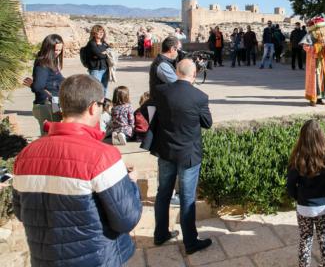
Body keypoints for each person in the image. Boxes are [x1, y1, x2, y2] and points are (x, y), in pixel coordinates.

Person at [12, 74, 142, 266]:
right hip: (96, 258)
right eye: (101, 104)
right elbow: (126, 219)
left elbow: (22, 212)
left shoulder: (25, 155)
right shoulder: (102, 156)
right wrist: (130, 183)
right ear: (92, 107)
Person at [152, 59, 213, 254]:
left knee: (163, 193)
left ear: (177, 71)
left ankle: (160, 234)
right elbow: (207, 123)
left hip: (166, 150)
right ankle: (190, 241)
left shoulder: (161, 92)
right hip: (188, 154)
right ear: (194, 75)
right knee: (187, 198)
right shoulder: (199, 97)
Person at [286, 120, 325, 267]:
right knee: (324, 238)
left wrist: (298, 197)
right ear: (320, 135)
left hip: (304, 207)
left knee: (305, 240)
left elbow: (290, 185)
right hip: (324, 206)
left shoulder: (297, 156)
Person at [27, 34, 65, 135]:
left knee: (54, 134)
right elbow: (38, 86)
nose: (57, 53)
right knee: (49, 137)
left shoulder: (50, 61)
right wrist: (33, 85)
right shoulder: (42, 63)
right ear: (48, 48)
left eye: (59, 50)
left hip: (53, 102)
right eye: (55, 50)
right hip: (46, 104)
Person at [300, 17, 325, 106]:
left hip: (324, 60)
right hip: (314, 60)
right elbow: (305, 46)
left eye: (323, 27)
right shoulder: (310, 35)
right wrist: (317, 46)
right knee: (315, 79)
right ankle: (313, 99)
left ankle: (320, 98)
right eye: (320, 27)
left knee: (323, 80)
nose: (322, 29)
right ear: (316, 27)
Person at [149, 36, 180, 105]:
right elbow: (179, 85)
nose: (179, 53)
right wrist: (190, 69)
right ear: (172, 49)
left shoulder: (164, 61)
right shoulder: (162, 65)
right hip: (161, 106)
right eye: (179, 49)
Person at [86, 24, 110, 97]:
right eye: (99, 32)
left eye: (102, 31)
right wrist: (104, 54)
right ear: (94, 33)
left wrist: (102, 54)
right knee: (96, 89)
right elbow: (100, 55)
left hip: (105, 69)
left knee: (104, 88)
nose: (101, 33)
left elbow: (110, 51)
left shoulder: (104, 43)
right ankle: (95, 105)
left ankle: (103, 105)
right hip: (95, 70)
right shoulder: (91, 44)